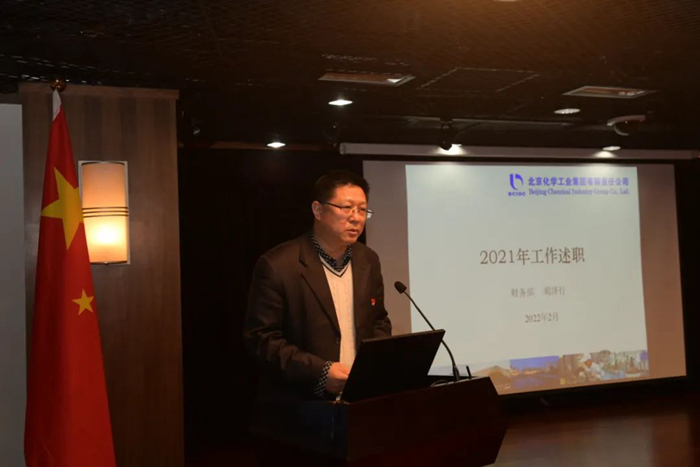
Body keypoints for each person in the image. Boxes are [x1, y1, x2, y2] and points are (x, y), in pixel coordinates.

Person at [244, 170, 392, 400]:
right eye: (347, 208)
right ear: (318, 210)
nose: (356, 217)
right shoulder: (278, 264)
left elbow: (379, 321)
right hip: (300, 405)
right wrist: (320, 373)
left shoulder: (368, 260)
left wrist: (371, 365)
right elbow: (262, 340)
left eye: (362, 210)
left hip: (359, 401)